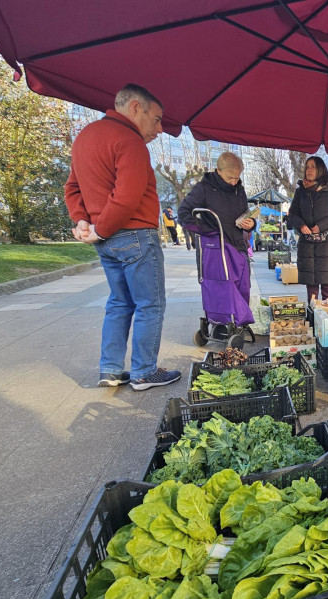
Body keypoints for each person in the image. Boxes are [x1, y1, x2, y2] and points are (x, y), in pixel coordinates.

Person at [65, 83, 181, 390]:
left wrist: (83, 222)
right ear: (135, 108)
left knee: (119, 302)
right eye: (156, 118)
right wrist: (100, 227)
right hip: (134, 235)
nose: (159, 127)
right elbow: (127, 196)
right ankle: (144, 371)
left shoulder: (85, 137)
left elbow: (72, 188)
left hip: (106, 241)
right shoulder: (129, 141)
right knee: (150, 304)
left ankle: (111, 369)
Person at [178, 152, 256, 322]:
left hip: (238, 245)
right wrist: (207, 230)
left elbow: (245, 213)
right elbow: (184, 213)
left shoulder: (239, 189)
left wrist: (251, 222)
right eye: (230, 178)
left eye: (237, 178)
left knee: (242, 285)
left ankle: (240, 320)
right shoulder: (203, 188)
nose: (234, 182)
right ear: (218, 171)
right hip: (216, 247)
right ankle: (222, 320)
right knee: (221, 286)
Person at [288, 156, 328, 302]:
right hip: (307, 246)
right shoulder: (300, 191)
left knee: (327, 288)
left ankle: (326, 320)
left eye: (313, 166)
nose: (309, 170)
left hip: (327, 246)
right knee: (311, 289)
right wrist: (301, 225)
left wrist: (320, 226)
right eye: (307, 167)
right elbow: (293, 214)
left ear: (320, 169)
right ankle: (313, 317)